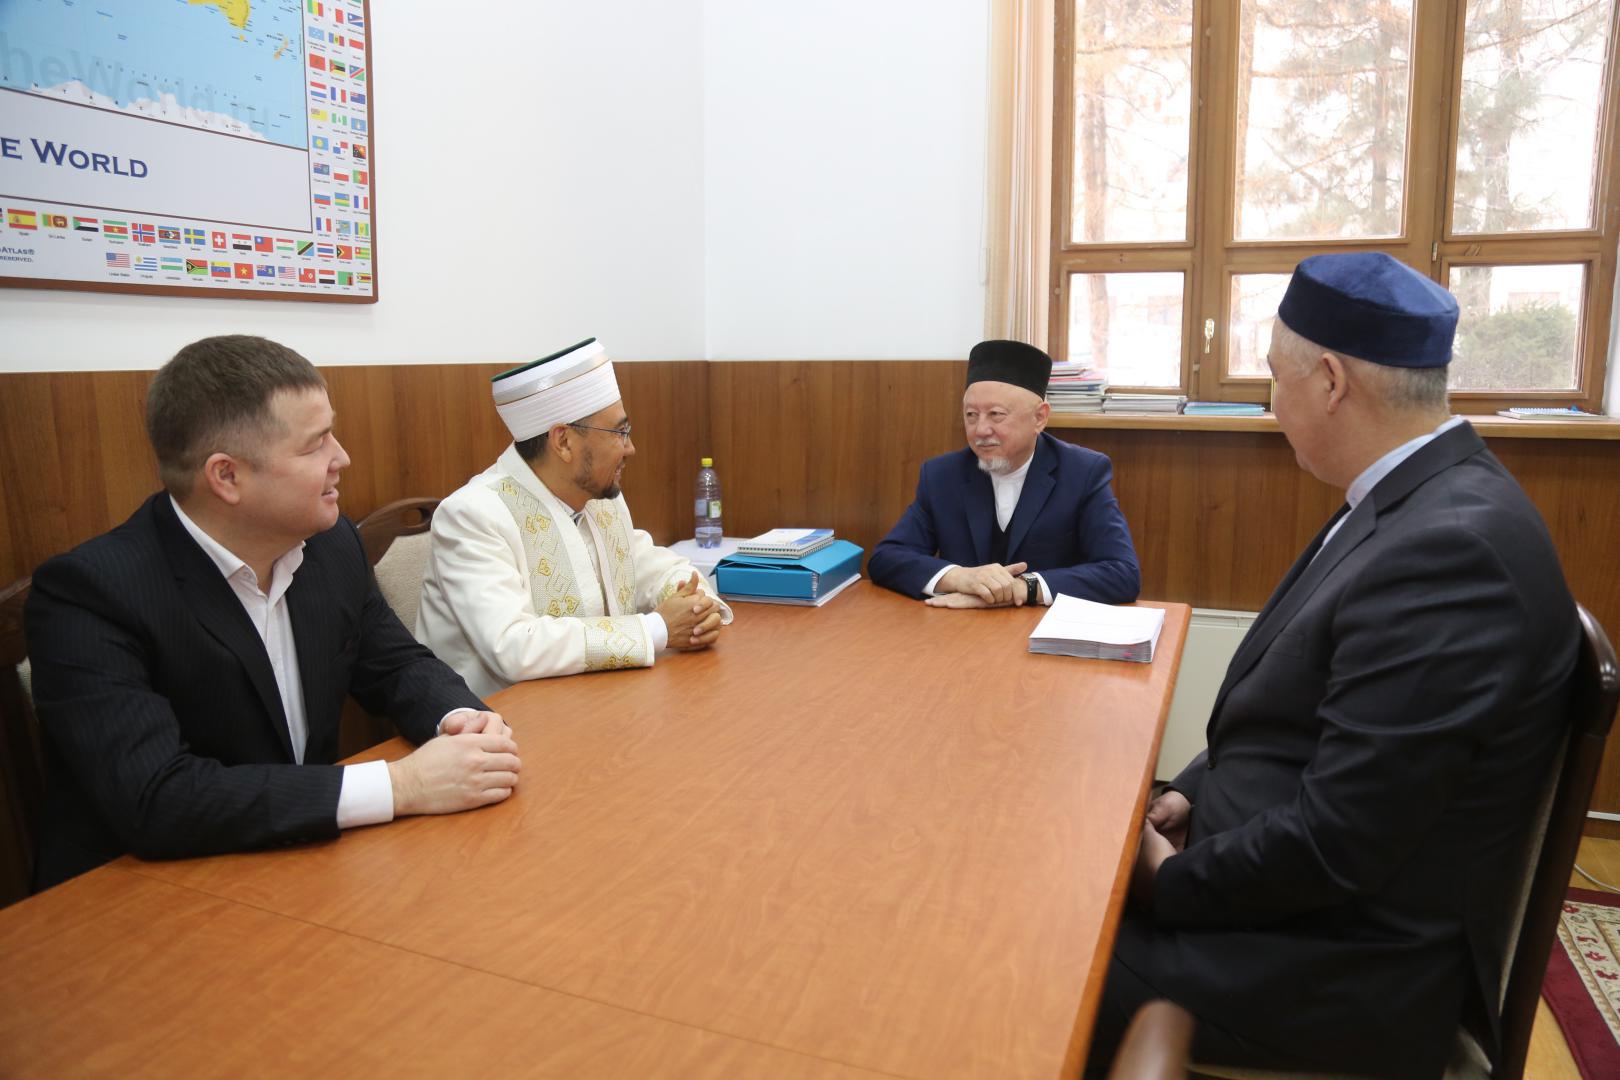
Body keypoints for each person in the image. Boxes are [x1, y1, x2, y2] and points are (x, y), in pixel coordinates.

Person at [1088, 253, 1581, 1077]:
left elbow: (1339, 843)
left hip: (1333, 968)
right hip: (1283, 899)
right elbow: (1288, 719)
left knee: (1018, 950)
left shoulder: (1451, 552)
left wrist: (1164, 882)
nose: (1270, 402)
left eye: (1274, 378)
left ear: (1328, 380)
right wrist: (1191, 795)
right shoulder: (1414, 497)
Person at [25, 335, 521, 890]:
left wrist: (457, 717)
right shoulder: (90, 593)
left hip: (301, 862)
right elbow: (158, 797)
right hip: (139, 893)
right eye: (315, 445)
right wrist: (402, 785)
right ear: (227, 476)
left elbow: (396, 664)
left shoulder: (330, 545)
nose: (341, 458)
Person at [416, 338, 731, 697]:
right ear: (563, 441)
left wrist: (693, 603)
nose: (630, 448)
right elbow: (513, 646)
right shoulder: (472, 515)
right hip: (499, 719)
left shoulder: (598, 495)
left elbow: (644, 562)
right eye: (619, 433)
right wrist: (658, 628)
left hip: (596, 701)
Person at [867, 339, 1139, 608]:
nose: (980, 430)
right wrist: (960, 577)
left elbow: (1122, 573)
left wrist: (1023, 587)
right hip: (959, 626)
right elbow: (886, 558)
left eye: (996, 414)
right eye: (971, 415)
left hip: (1042, 626)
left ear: (1039, 418)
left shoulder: (1082, 472)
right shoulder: (942, 475)